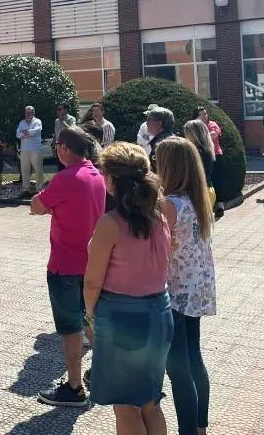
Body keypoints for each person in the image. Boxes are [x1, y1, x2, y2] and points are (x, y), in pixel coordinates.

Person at [84, 142, 172, 435]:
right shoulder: (159, 218)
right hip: (159, 312)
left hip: (122, 317)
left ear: (111, 179)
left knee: (126, 407)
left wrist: (90, 314)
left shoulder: (110, 224)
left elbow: (92, 281)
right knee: (150, 402)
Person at [30, 127, 107, 407]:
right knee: (92, 321)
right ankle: (102, 374)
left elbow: (36, 206)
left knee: (70, 328)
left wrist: (51, 204)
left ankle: (74, 387)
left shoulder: (64, 178)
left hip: (65, 265)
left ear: (63, 148)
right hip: (93, 263)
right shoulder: (97, 174)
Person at [156, 137, 217, 435]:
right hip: (197, 287)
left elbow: (159, 249)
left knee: (178, 368)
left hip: (176, 290)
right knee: (194, 357)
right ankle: (200, 426)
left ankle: (188, 430)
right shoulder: (198, 199)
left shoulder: (170, 204)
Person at [183, 119, 216, 209]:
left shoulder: (197, 151)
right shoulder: (207, 149)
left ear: (194, 134)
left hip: (200, 193)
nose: (185, 136)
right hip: (208, 190)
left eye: (187, 133)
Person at [195, 107, 223, 213]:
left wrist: (197, 136)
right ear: (196, 117)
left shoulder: (212, 124)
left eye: (205, 114)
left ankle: (219, 205)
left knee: (216, 180)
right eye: (202, 114)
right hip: (199, 158)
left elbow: (213, 135)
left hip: (214, 156)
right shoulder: (194, 126)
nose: (205, 116)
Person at [17, 106, 44, 194]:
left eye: (30, 112)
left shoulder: (37, 121)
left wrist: (25, 133)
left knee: (38, 169)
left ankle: (39, 189)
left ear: (33, 112)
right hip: (24, 150)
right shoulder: (22, 122)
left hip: (35, 149)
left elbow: (35, 131)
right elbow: (17, 134)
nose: (28, 114)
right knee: (25, 170)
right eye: (27, 112)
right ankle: (25, 189)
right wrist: (26, 133)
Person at [146, 106, 175, 173]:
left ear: (159, 124)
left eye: (149, 120)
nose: (146, 123)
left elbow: (161, 173)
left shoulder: (161, 145)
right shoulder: (173, 140)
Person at [54, 103, 77, 171]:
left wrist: (63, 122)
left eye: (60, 109)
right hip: (58, 145)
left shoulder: (71, 119)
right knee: (60, 166)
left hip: (67, 145)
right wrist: (54, 144)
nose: (58, 111)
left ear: (65, 110)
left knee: (68, 165)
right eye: (58, 109)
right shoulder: (56, 121)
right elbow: (56, 133)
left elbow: (72, 130)